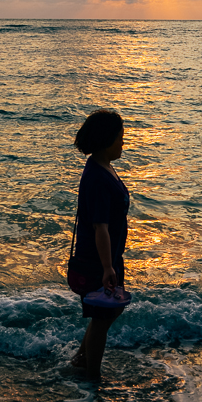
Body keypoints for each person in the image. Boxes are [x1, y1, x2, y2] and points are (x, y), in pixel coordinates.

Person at [70, 109, 130, 380]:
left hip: (110, 256)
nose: (122, 143)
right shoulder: (97, 175)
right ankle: (92, 375)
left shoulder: (103, 166)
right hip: (98, 259)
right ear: (107, 139)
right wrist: (107, 267)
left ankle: (82, 360)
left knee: (108, 312)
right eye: (120, 138)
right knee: (103, 316)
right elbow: (100, 226)